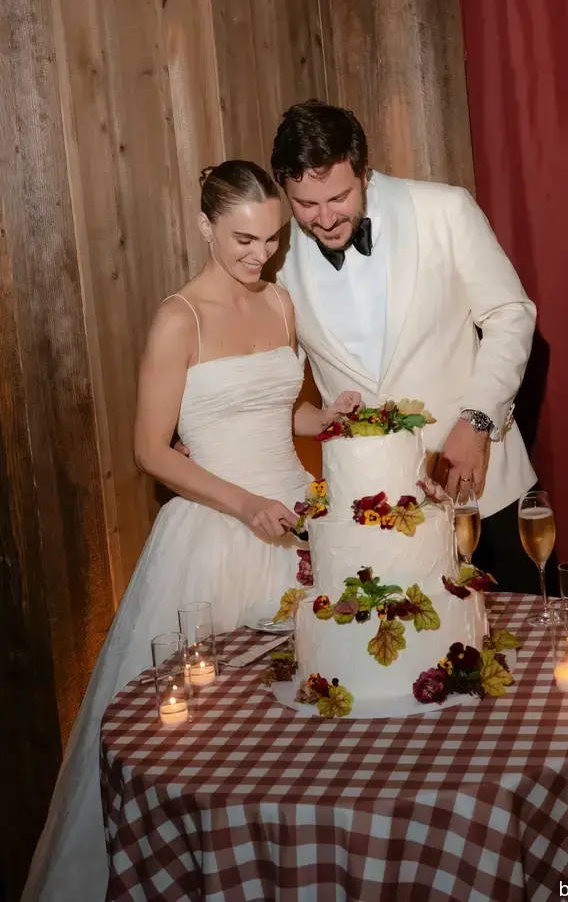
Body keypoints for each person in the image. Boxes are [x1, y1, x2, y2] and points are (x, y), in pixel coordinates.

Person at [21, 160, 359, 902]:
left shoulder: (280, 301)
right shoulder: (182, 317)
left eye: (271, 239)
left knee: (312, 725)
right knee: (218, 745)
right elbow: (149, 448)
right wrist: (240, 505)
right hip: (215, 530)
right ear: (204, 225)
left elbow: (281, 414)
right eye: (242, 239)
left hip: (298, 518)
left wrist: (324, 417)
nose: (258, 255)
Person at [271, 100, 539, 591]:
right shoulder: (278, 260)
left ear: (365, 174)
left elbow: (510, 316)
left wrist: (477, 420)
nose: (325, 219)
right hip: (370, 514)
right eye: (306, 205)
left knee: (523, 653)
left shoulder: (445, 208)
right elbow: (270, 378)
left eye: (339, 198)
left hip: (483, 491)